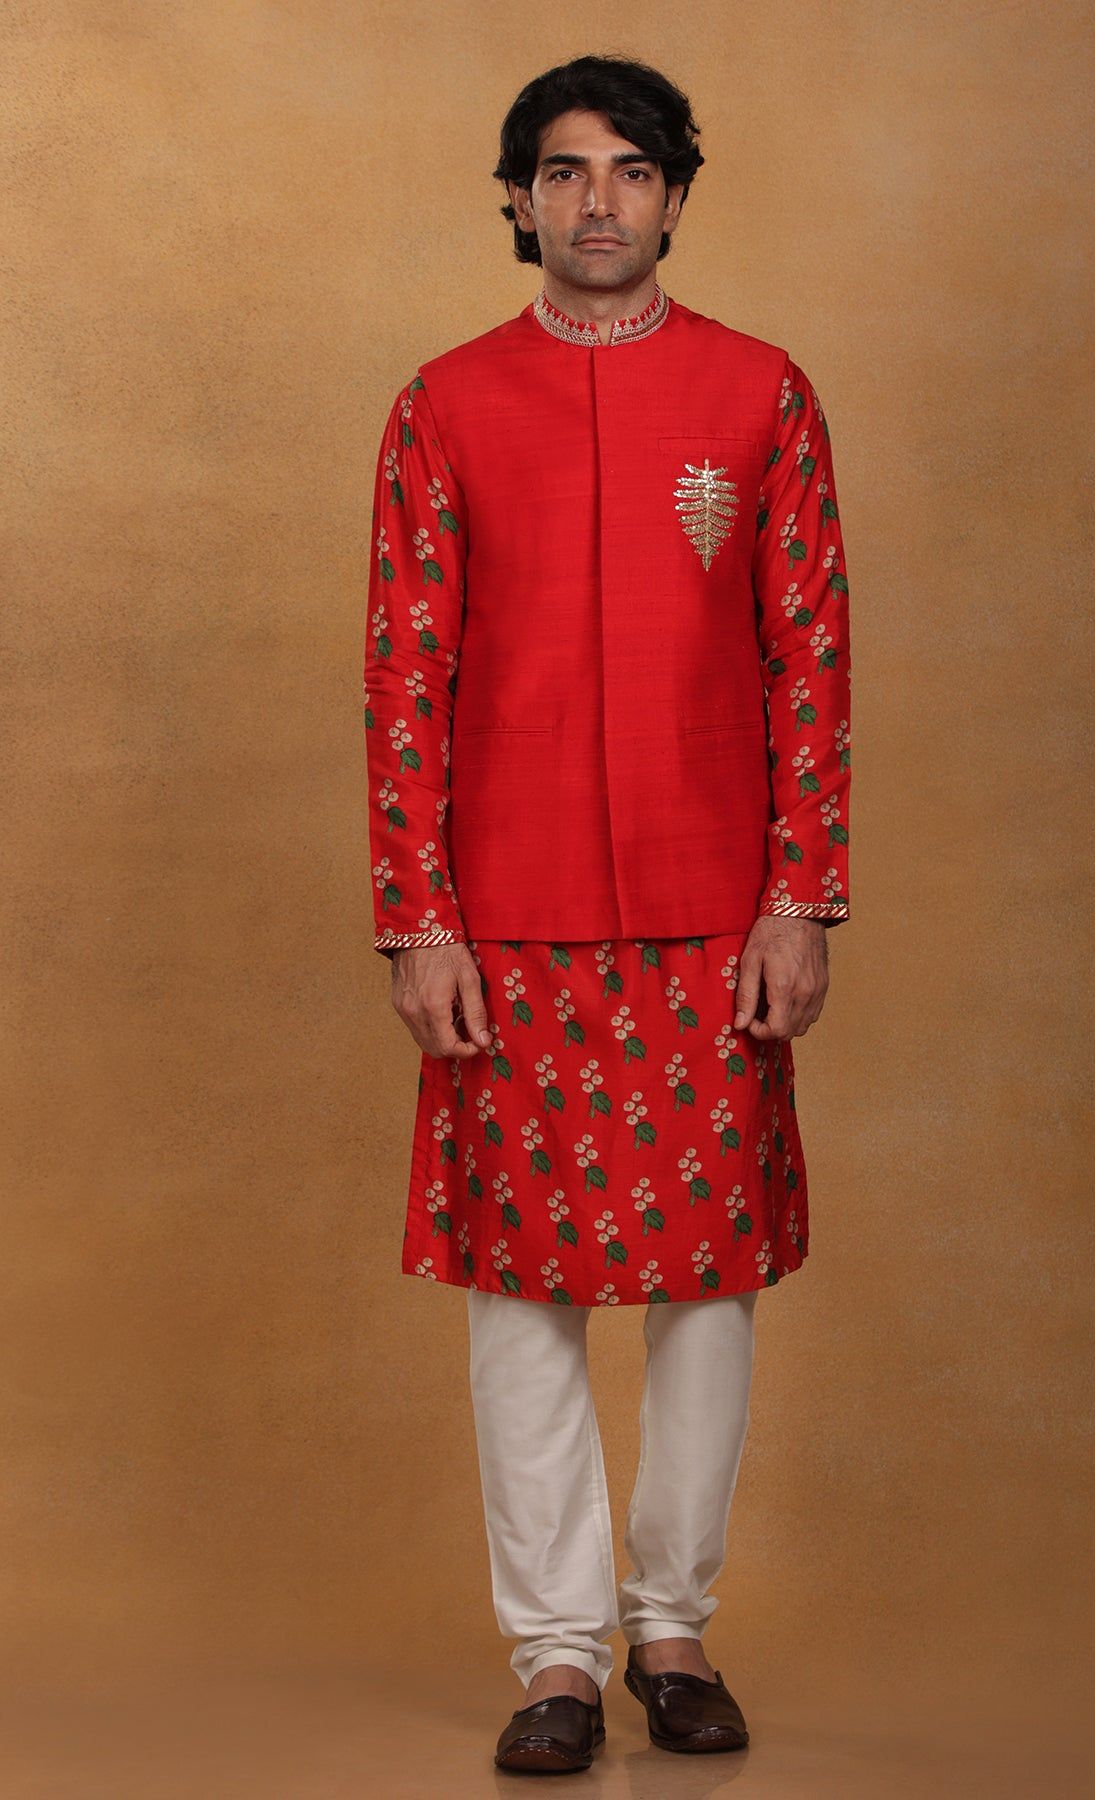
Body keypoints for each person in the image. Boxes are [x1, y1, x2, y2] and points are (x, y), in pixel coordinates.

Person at [361, 52, 852, 1775]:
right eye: (564, 171)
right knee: (523, 1292)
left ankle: (672, 1627)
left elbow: (809, 656)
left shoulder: (760, 391)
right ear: (518, 198)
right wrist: (420, 919)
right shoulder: (445, 401)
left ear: (675, 196)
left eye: (632, 171)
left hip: (718, 912)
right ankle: (559, 1655)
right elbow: (405, 674)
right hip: (505, 917)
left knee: (707, 1286)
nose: (597, 201)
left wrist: (802, 897)